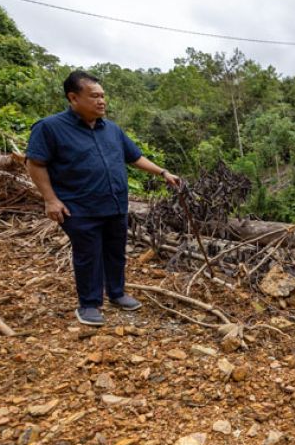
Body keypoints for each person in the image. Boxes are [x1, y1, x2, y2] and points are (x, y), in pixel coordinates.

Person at [25, 70, 179, 326]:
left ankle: (117, 294)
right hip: (78, 207)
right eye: (94, 96)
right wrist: (50, 200)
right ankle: (89, 304)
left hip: (115, 204)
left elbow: (134, 157)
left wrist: (163, 172)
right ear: (73, 98)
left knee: (115, 252)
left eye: (103, 96)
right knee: (88, 254)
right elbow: (35, 163)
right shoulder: (50, 128)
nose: (101, 101)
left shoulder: (112, 130)